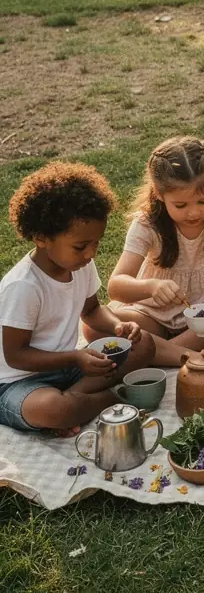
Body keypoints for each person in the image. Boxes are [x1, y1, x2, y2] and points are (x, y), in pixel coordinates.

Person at [0, 162, 154, 434]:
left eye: (96, 243)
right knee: (52, 409)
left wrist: (117, 326)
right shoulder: (24, 286)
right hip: (18, 383)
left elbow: (92, 309)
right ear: (41, 237)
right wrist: (74, 357)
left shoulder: (80, 265)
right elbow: (16, 356)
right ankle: (112, 398)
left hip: (69, 369)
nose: (90, 253)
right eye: (81, 246)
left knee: (143, 346)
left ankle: (75, 402)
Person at [96, 136, 204, 367]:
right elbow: (116, 286)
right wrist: (151, 287)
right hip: (153, 317)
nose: (193, 213)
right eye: (180, 205)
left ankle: (159, 352)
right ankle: (187, 353)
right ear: (159, 194)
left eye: (203, 201)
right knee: (94, 325)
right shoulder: (147, 224)